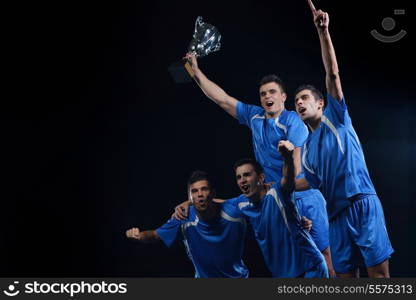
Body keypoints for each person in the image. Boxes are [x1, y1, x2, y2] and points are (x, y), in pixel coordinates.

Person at [184, 52, 334, 276]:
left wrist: (274, 192)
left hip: (302, 197)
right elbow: (221, 98)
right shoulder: (254, 117)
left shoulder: (292, 121)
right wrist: (195, 71)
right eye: (263, 94)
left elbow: (296, 168)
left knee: (323, 257)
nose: (267, 96)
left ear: (283, 97)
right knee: (289, 260)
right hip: (275, 200)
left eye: (272, 92)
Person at [293, 0, 394, 277]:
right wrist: (282, 180)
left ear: (321, 103)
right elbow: (307, 182)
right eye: (296, 102)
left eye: (304, 98)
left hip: (362, 203)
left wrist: (323, 32)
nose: (299, 103)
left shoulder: (336, 116)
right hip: (335, 218)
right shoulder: (307, 149)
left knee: (379, 278)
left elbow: (333, 74)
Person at [175, 141, 329, 278]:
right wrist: (187, 203)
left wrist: (287, 157)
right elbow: (215, 202)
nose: (242, 180)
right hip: (283, 275)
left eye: (247, 175)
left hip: (310, 268)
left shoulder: (277, 192)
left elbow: (288, 179)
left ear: (261, 178)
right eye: (239, 177)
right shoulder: (241, 203)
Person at [126, 170, 249, 278]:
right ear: (190, 197)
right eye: (194, 191)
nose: (200, 194)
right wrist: (139, 235)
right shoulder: (183, 216)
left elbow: (255, 197)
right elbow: (155, 235)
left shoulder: (233, 211)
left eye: (204, 189)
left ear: (212, 193)